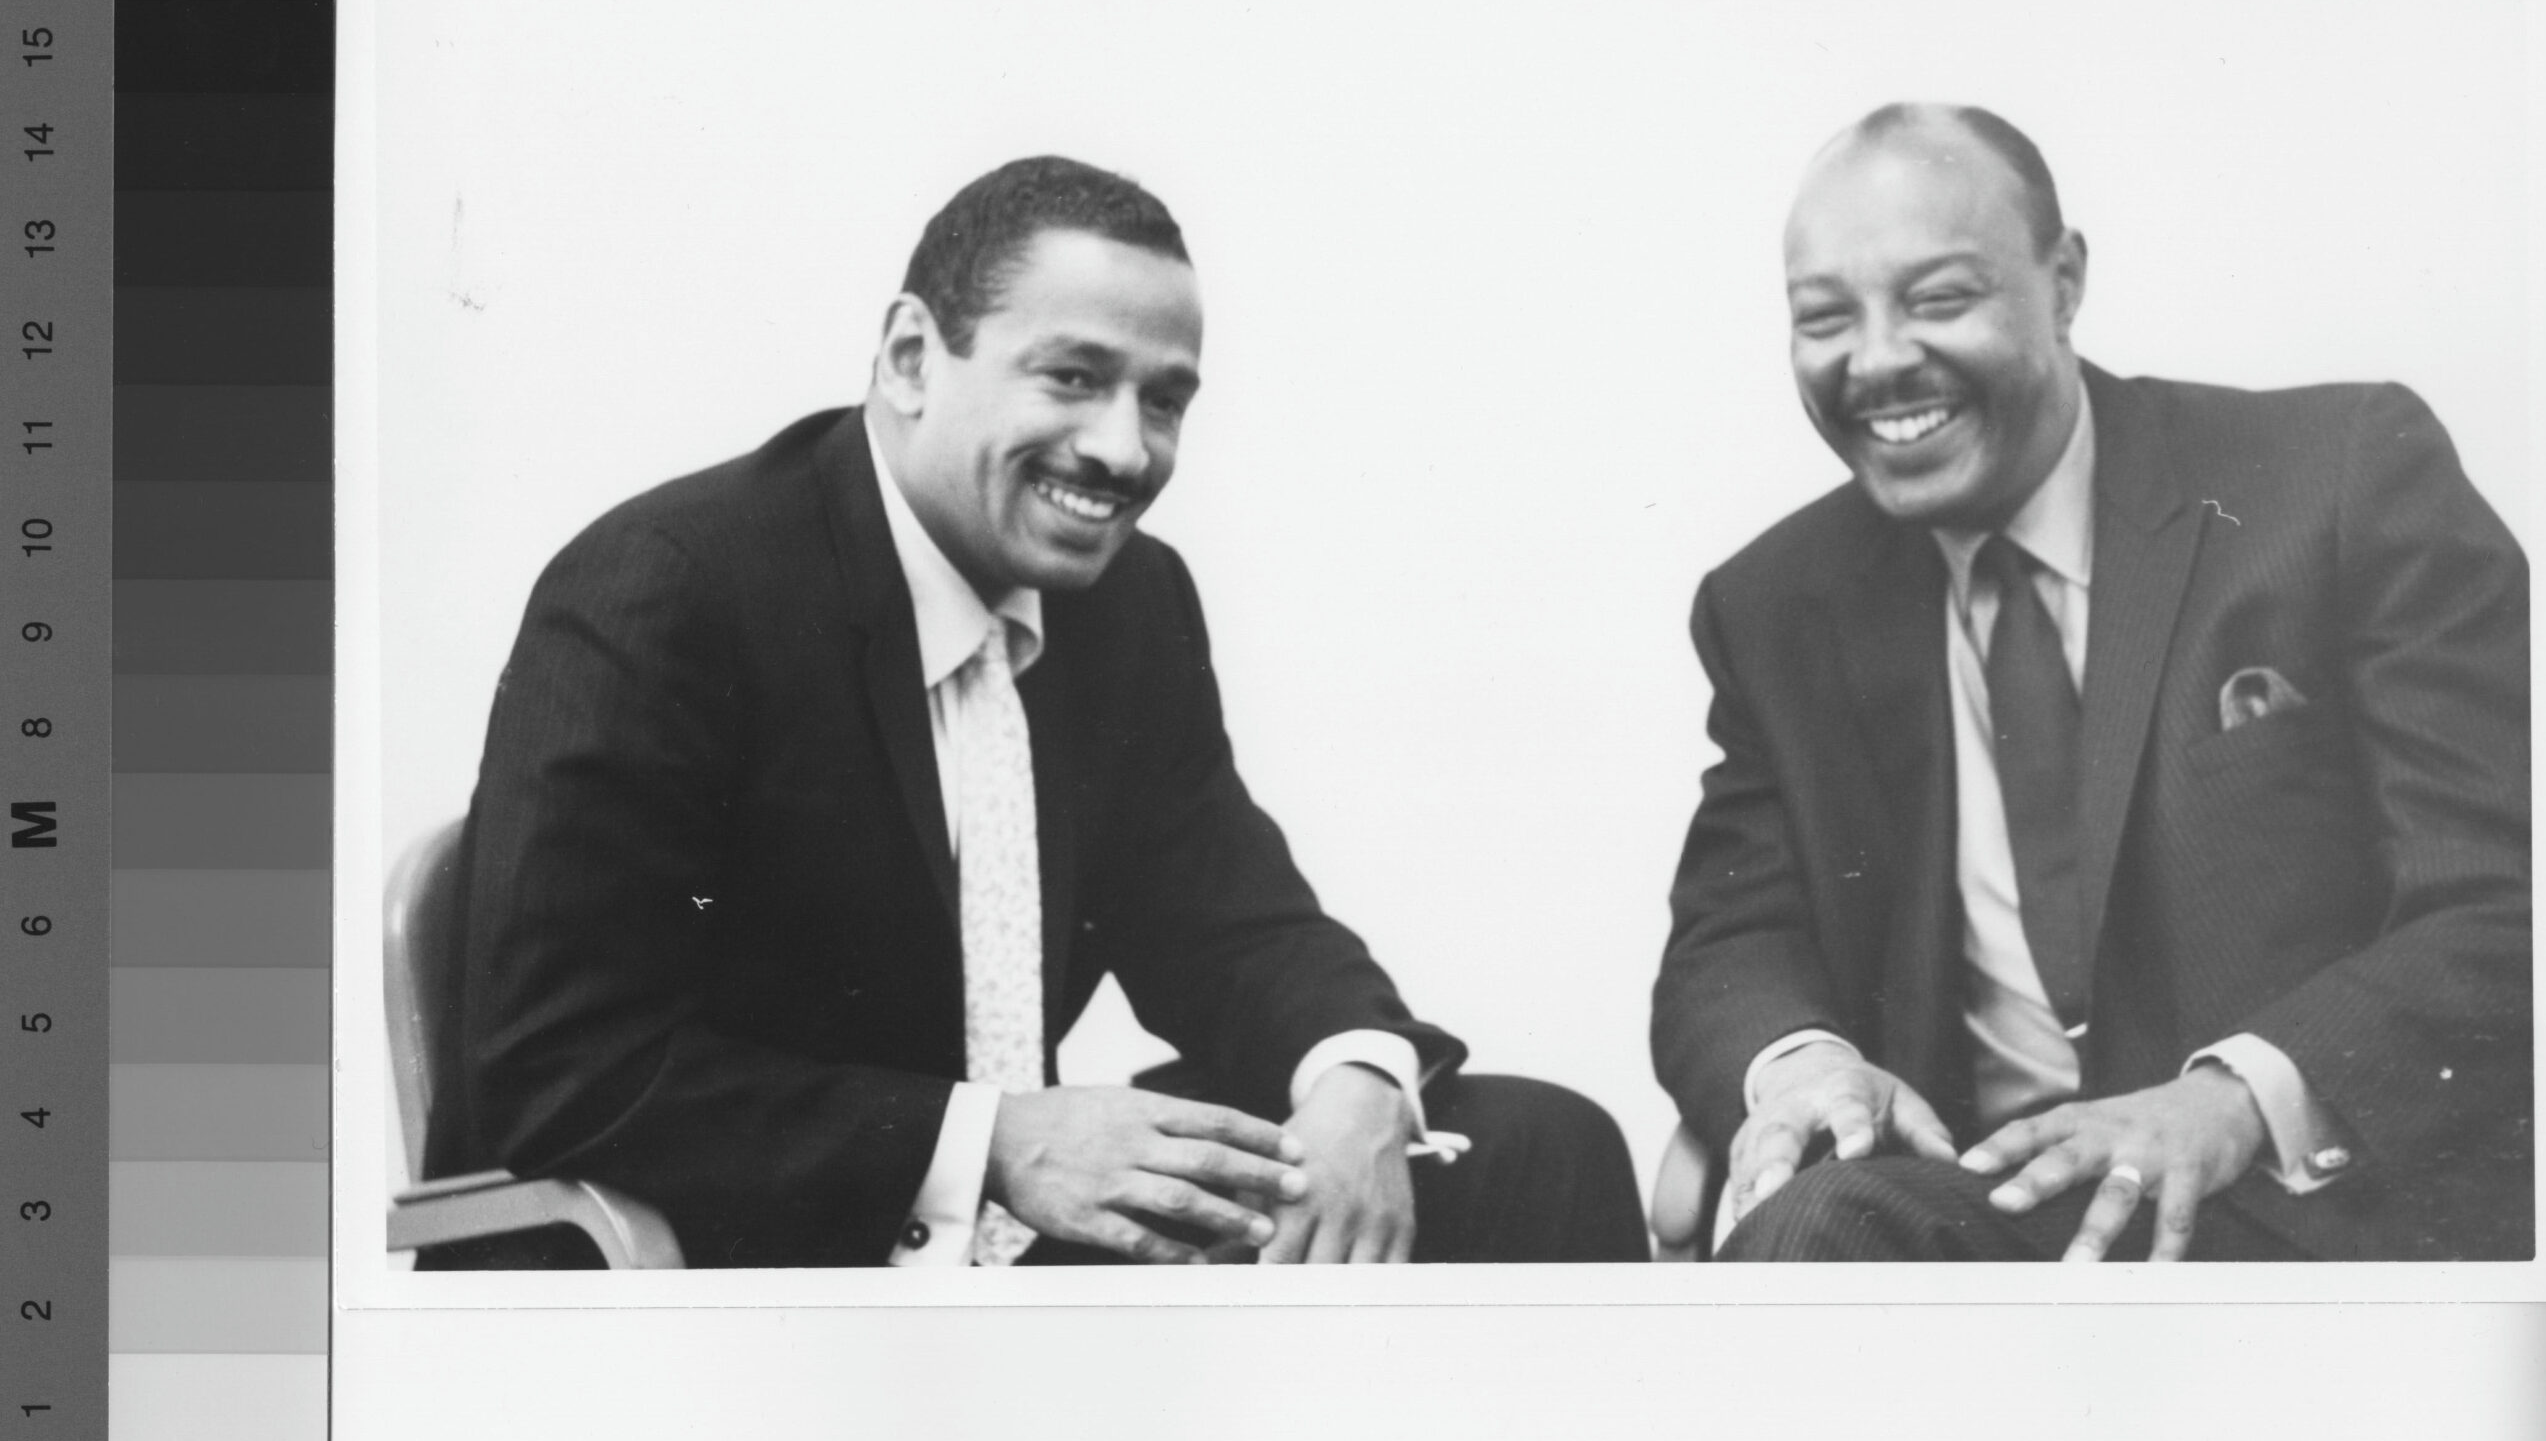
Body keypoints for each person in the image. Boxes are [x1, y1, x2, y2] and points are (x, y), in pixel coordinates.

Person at [429, 154, 1645, 1268]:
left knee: (1542, 1149)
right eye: (1072, 378)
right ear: (911, 358)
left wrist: (1356, 1081)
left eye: (1164, 400)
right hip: (755, 1273)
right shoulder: (671, 590)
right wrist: (992, 1142)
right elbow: (555, 1074)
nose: (1124, 449)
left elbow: (1229, 924)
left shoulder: (1129, 605)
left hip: (1004, 1268)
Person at [1650, 103, 2530, 1261]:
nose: (1873, 360)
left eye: (1937, 299)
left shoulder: (2338, 477)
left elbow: (2510, 900)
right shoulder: (1775, 604)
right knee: (1807, 1220)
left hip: (2318, 1216)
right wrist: (1800, 1069)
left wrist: (2232, 1100)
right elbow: (1730, 935)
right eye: (1824, 319)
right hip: (1997, 1214)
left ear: (2063, 281)